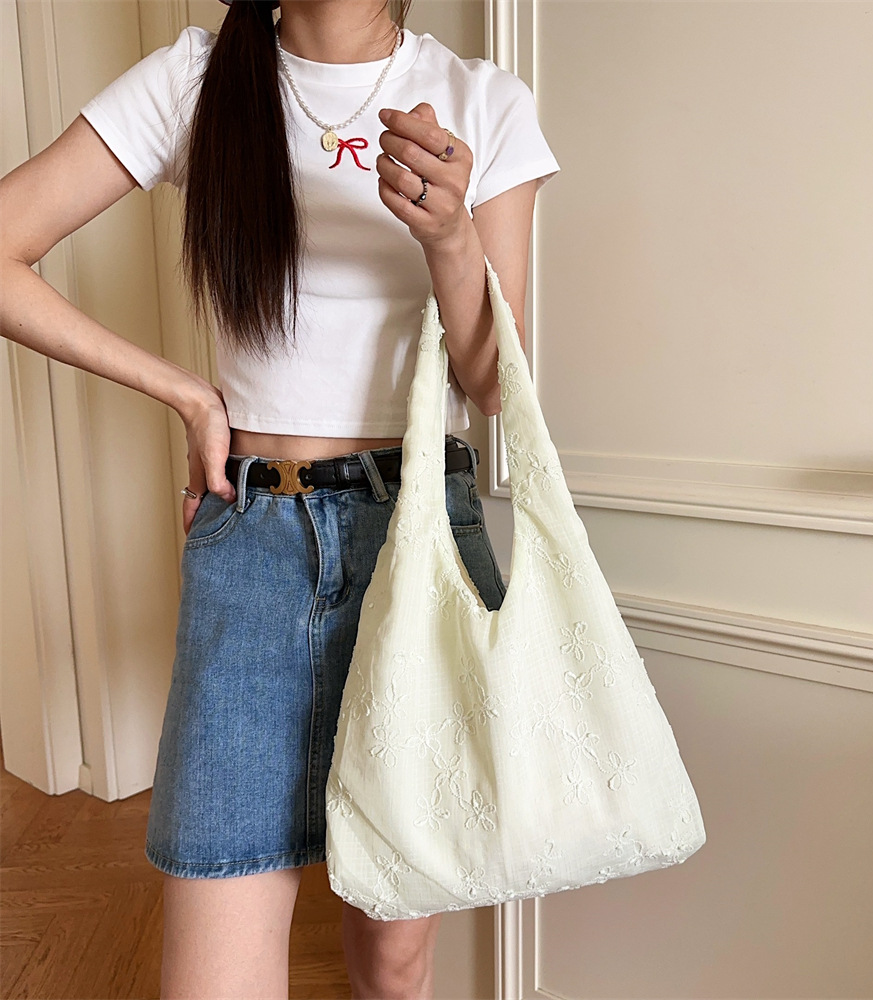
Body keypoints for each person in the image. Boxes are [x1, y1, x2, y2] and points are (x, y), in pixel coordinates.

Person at [0, 0, 560, 996]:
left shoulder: (483, 99)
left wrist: (450, 236)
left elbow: (489, 383)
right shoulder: (197, 79)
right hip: (251, 548)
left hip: (418, 546)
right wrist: (186, 393)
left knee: (394, 959)